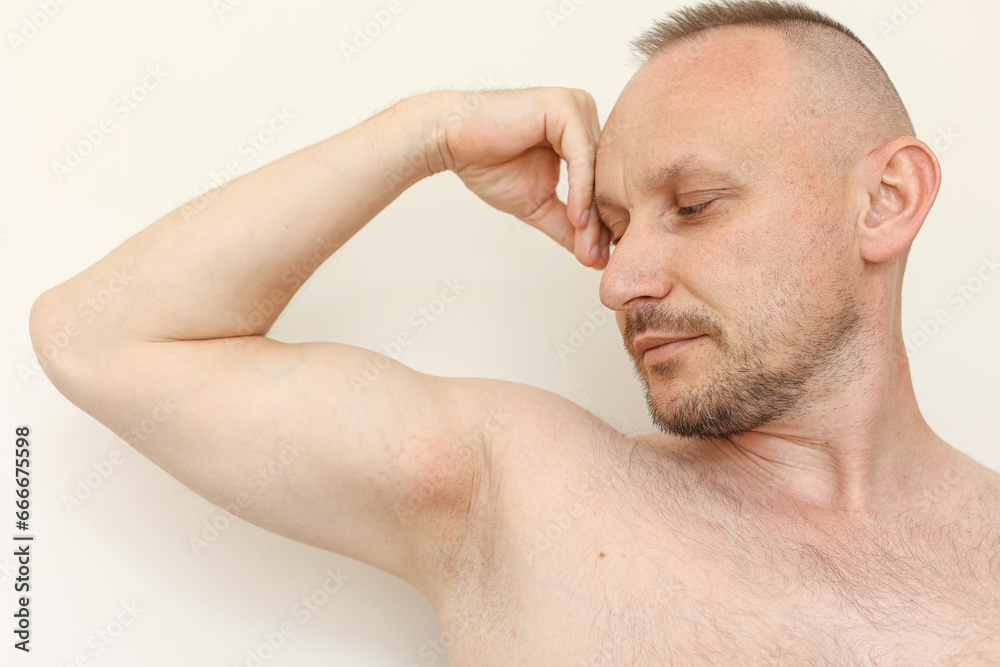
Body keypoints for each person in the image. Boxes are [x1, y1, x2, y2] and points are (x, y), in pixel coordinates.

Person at [30, 0, 999, 663]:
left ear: (886, 201)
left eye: (695, 205)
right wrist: (429, 131)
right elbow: (101, 339)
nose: (620, 280)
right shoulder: (523, 493)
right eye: (611, 227)